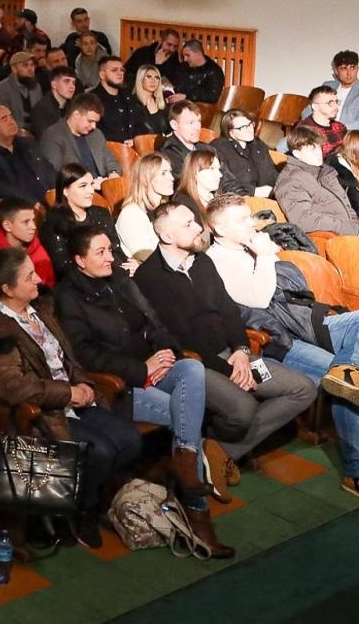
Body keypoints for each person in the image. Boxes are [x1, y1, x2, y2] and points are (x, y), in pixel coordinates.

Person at [205, 193, 359, 508]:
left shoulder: (244, 249)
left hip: (296, 325)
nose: (250, 224)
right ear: (219, 229)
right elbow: (256, 299)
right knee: (346, 387)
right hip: (272, 343)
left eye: (248, 217)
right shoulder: (217, 261)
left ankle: (346, 369)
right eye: (241, 220)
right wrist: (267, 256)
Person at [52, 226, 232, 556]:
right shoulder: (68, 296)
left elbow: (154, 321)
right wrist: (141, 369)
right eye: (101, 253)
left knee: (190, 369)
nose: (110, 257)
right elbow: (84, 353)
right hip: (120, 386)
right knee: (188, 411)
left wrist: (164, 352)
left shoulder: (120, 280)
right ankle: (198, 513)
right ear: (79, 260)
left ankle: (185, 465)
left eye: (111, 250)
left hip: (152, 369)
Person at [0, 248, 141, 547]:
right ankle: (80, 509)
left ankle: (82, 499)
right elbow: (14, 387)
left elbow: (69, 359)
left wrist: (83, 384)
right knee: (100, 452)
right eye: (29, 276)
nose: (38, 279)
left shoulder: (41, 309)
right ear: (7, 289)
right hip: (43, 411)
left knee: (131, 441)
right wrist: (67, 392)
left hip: (75, 399)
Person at [135, 203, 318, 475]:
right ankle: (215, 452)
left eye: (195, 221)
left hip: (234, 355)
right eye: (188, 225)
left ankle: (220, 451)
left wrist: (242, 350)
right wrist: (230, 368)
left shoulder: (203, 262)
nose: (199, 227)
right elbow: (177, 342)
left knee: (303, 388)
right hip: (196, 366)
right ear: (167, 237)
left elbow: (229, 311)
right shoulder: (149, 278)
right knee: (242, 409)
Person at [275, 126, 359, 237]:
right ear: (297, 154)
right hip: (327, 239)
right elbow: (303, 220)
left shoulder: (326, 173)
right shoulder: (291, 180)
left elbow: (348, 212)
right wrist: (354, 231)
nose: (318, 153)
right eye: (312, 149)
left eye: (319, 147)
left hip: (347, 234)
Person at [41, 164, 127, 277]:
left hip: (113, 272)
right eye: (83, 186)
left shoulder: (101, 213)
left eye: (91, 184)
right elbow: (63, 266)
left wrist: (127, 266)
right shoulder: (54, 222)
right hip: (82, 283)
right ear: (65, 191)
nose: (91, 191)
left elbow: (116, 249)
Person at [38, 94, 122, 185]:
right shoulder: (53, 135)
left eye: (95, 122)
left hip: (102, 188)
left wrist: (114, 173)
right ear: (76, 115)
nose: (94, 126)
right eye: (90, 121)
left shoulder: (96, 134)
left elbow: (111, 161)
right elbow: (54, 174)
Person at [0, 196, 56, 286]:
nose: (33, 226)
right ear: (7, 226)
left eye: (33, 220)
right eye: (26, 222)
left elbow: (49, 285)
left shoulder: (37, 248)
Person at [115, 154, 175, 260]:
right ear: (146, 179)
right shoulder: (131, 214)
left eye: (170, 172)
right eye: (163, 173)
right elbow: (148, 258)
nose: (172, 178)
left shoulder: (166, 209)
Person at [214, 108, 278, 197]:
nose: (249, 129)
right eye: (242, 127)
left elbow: (271, 173)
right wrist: (254, 191)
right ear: (231, 133)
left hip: (265, 197)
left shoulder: (257, 144)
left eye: (249, 124)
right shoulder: (220, 148)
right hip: (238, 199)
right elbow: (225, 183)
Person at [318, 51, 359, 135]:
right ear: (336, 71)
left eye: (352, 68)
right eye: (344, 68)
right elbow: (308, 110)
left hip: (346, 136)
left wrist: (333, 128)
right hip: (320, 133)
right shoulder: (327, 86)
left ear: (357, 69)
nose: (349, 73)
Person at [293, 86, 347, 159]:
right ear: (315, 107)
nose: (336, 107)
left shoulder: (340, 127)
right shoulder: (305, 130)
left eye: (336, 102)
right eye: (330, 103)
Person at [172, 146, 224, 221]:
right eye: (212, 169)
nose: (220, 174)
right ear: (195, 172)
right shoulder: (183, 202)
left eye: (218, 169)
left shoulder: (217, 196)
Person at [166, 40, 225, 104]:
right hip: (175, 105)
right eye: (184, 56)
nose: (185, 59)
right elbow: (168, 79)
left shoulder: (214, 71)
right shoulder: (182, 66)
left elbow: (213, 96)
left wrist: (186, 97)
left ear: (198, 54)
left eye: (188, 55)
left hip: (199, 109)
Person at [159, 101, 206, 180]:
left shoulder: (207, 149)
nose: (197, 127)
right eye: (191, 122)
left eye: (199, 121)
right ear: (174, 125)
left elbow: (226, 179)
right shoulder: (169, 154)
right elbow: (185, 186)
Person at [29, 69, 76, 137]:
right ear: (54, 84)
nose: (72, 87)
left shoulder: (73, 105)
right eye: (66, 81)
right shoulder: (40, 109)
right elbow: (47, 139)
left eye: (74, 83)